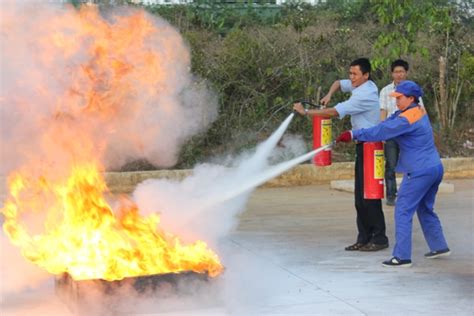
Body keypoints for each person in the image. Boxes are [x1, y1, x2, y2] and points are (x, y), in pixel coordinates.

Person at [336, 80, 450, 267]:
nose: (396, 101)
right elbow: (388, 122)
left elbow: (385, 130)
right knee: (424, 208)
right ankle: (440, 246)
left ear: (411, 98)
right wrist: (361, 133)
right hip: (434, 168)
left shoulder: (407, 118)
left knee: (403, 210)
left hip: (419, 171)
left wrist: (354, 135)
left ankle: (402, 256)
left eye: (400, 98)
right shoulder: (416, 110)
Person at [293, 57, 389, 252]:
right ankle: (364, 237)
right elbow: (338, 83)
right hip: (362, 146)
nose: (351, 78)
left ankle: (379, 238)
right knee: (359, 197)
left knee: (370, 195)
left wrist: (306, 113)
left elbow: (335, 112)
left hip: (372, 147)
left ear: (366, 75)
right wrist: (329, 94)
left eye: (355, 74)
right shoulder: (361, 85)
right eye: (350, 73)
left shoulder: (366, 95)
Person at [380, 59, 424, 206]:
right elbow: (383, 112)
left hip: (409, 134)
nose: (399, 75)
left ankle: (412, 194)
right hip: (392, 133)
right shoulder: (386, 91)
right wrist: (382, 132)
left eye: (401, 72)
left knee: (411, 164)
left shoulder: (413, 89)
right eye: (396, 72)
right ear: (392, 73)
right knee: (391, 164)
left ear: (406, 73)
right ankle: (391, 195)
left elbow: (421, 111)